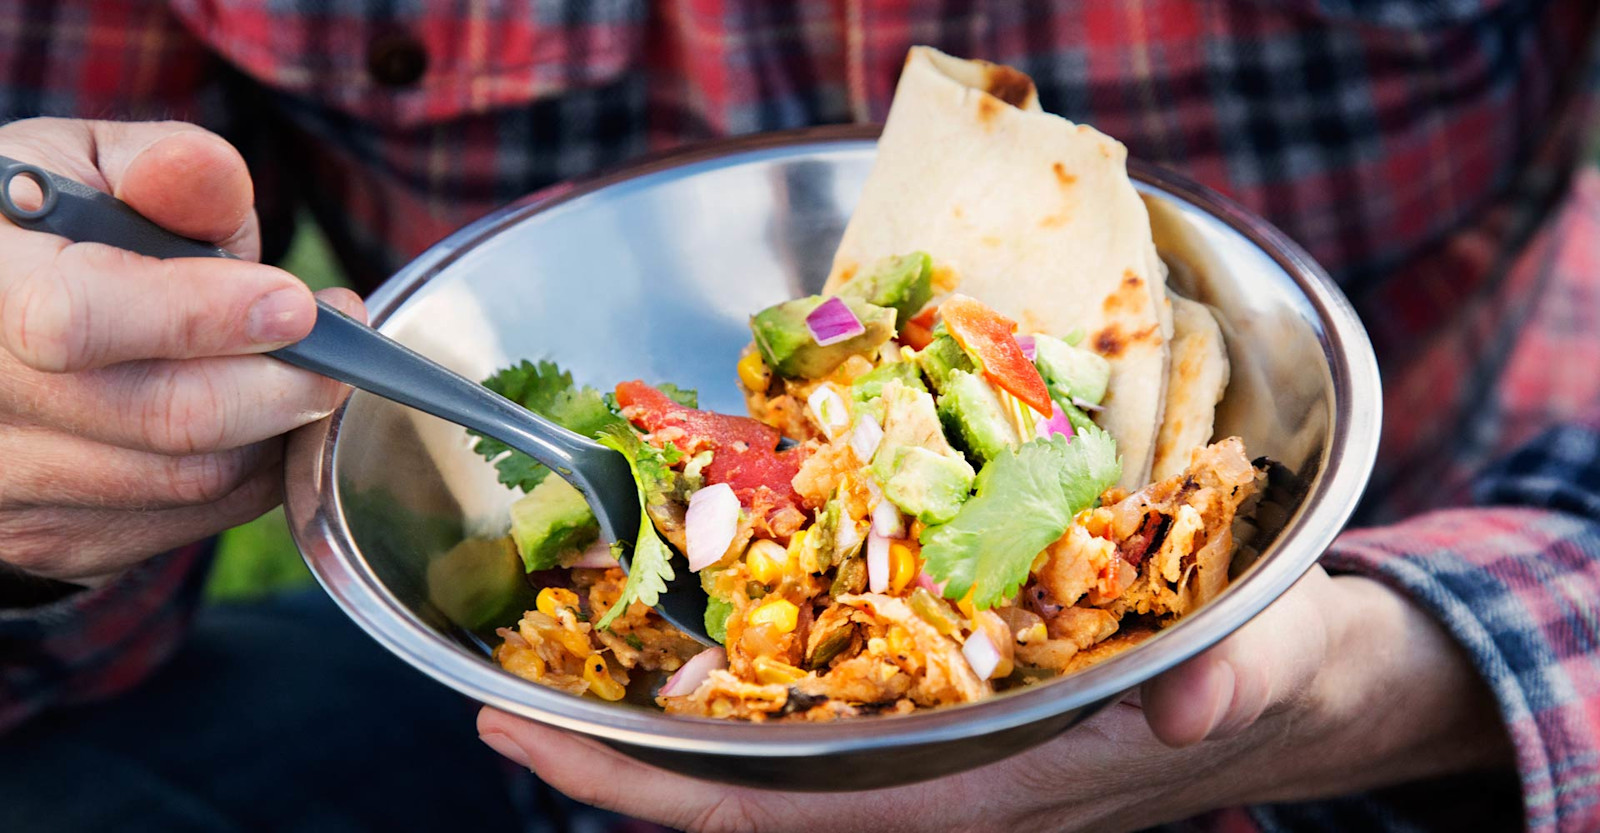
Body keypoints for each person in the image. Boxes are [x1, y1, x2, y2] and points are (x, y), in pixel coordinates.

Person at [1, 2, 1596, 831]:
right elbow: (69, 621)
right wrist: (49, 468)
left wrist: (1404, 680)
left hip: (1361, 701)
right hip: (522, 752)